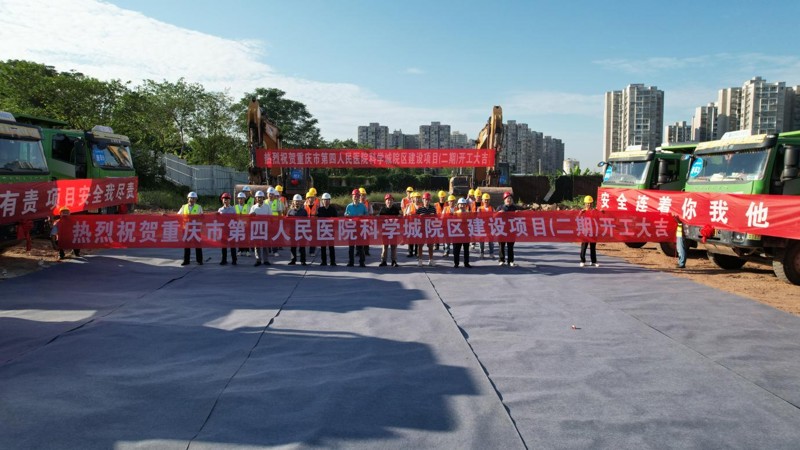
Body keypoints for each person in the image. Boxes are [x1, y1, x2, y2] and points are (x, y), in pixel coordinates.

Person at [344, 188, 368, 267]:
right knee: (351, 247)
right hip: (351, 229)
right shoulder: (349, 206)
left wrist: (363, 216)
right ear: (352, 197)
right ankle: (351, 262)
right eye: (355, 196)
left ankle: (362, 262)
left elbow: (367, 215)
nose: (356, 197)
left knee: (360, 246)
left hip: (360, 229)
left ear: (359, 197)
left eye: (357, 196)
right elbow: (345, 216)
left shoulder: (363, 206)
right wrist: (346, 216)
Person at [179, 191, 204, 266]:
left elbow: (202, 217)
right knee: (187, 245)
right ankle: (186, 261)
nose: (192, 200)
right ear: (188, 199)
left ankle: (199, 260)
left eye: (194, 198)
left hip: (195, 229)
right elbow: (178, 215)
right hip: (186, 229)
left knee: (198, 244)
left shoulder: (199, 207)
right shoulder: (183, 207)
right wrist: (167, 216)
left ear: (196, 200)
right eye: (191, 198)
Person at [249, 190, 272, 266]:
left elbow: (271, 217)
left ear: (263, 198)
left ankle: (266, 260)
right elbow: (249, 218)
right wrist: (251, 215)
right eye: (257, 197)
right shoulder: (253, 207)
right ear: (255, 198)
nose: (259, 199)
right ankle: (258, 260)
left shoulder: (267, 207)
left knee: (265, 245)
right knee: (257, 245)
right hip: (256, 229)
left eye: (260, 197)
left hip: (265, 229)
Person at [378, 193, 401, 267]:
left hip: (394, 231)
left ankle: (394, 261)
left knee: (393, 247)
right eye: (388, 200)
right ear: (385, 201)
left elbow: (399, 219)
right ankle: (383, 261)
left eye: (391, 200)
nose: (389, 201)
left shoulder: (396, 209)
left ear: (393, 201)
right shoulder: (382, 210)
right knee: (385, 246)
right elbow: (379, 220)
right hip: (385, 231)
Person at [497, 191, 519, 267]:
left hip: (511, 230)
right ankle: (501, 260)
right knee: (501, 246)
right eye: (507, 198)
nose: (509, 200)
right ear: (504, 199)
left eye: (510, 198)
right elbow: (493, 217)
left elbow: (520, 218)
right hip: (502, 229)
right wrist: (499, 213)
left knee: (510, 246)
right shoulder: (500, 207)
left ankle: (511, 261)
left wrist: (518, 213)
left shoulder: (514, 208)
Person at [416, 192, 437, 266]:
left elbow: (436, 219)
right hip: (421, 229)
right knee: (420, 245)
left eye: (428, 200)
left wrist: (433, 216)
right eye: (425, 199)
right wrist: (420, 216)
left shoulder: (433, 209)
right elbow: (415, 219)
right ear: (423, 200)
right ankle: (420, 260)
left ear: (430, 200)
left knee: (430, 246)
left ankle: (431, 260)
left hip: (430, 229)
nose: (427, 201)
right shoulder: (419, 209)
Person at [317, 192, 337, 266]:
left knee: (331, 247)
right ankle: (324, 261)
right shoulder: (320, 210)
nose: (326, 201)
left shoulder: (333, 210)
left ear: (329, 200)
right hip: (322, 231)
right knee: (323, 247)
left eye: (327, 200)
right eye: (324, 200)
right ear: (322, 201)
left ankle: (332, 261)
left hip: (331, 231)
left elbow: (336, 220)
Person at [287, 194, 308, 265]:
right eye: (296, 201)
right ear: (293, 202)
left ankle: (303, 260)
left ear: (301, 202)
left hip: (302, 231)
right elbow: (287, 222)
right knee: (293, 246)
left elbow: (307, 222)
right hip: (293, 232)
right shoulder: (290, 212)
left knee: (302, 246)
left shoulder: (304, 212)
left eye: (298, 201)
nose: (297, 203)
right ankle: (293, 260)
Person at [217, 192, 237, 266]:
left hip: (231, 229)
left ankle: (234, 260)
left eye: (227, 199)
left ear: (230, 200)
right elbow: (218, 220)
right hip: (223, 230)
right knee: (223, 246)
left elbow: (235, 219)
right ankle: (224, 260)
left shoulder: (233, 209)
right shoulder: (220, 210)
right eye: (224, 199)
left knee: (232, 246)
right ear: (222, 200)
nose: (226, 200)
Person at [579, 195, 598, 268]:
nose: (589, 204)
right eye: (587, 203)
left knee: (593, 247)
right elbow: (577, 219)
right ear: (585, 203)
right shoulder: (582, 211)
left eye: (590, 203)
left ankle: (593, 261)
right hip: (585, 231)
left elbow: (599, 218)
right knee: (584, 247)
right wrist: (580, 213)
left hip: (593, 231)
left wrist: (601, 212)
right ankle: (582, 261)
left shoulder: (594, 211)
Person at [452, 198, 471, 268]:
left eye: (463, 204)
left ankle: (466, 263)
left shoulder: (468, 213)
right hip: (457, 234)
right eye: (461, 204)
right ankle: (456, 263)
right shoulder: (455, 213)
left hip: (466, 233)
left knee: (466, 249)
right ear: (458, 205)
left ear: (465, 205)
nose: (462, 206)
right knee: (456, 249)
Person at [477, 192, 495, 259]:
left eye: (487, 200)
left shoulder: (492, 208)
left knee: (491, 241)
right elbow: (477, 217)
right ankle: (481, 253)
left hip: (490, 227)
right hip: (482, 226)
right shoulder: (479, 208)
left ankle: (491, 253)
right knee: (481, 241)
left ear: (489, 200)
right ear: (482, 200)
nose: (486, 201)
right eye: (485, 200)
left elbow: (495, 216)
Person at [404, 191, 422, 257]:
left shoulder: (421, 206)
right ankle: (410, 252)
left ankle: (417, 252)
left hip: (419, 225)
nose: (417, 199)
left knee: (418, 239)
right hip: (411, 224)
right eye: (416, 198)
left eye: (418, 198)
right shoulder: (410, 206)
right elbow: (407, 214)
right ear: (413, 198)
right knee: (411, 239)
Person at [267, 187, 283, 256]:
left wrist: (280, 222)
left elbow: (280, 213)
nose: (270, 195)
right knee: (267, 237)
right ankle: (268, 250)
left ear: (274, 195)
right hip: (267, 222)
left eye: (272, 194)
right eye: (269, 194)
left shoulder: (277, 202)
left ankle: (275, 251)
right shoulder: (264, 202)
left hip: (275, 222)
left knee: (274, 237)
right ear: (267, 194)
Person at [234, 192, 250, 257]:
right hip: (238, 225)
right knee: (239, 238)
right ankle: (240, 250)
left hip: (246, 225)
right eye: (239, 198)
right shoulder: (235, 207)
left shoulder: (248, 207)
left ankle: (247, 251)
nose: (240, 200)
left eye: (242, 198)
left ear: (244, 199)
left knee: (246, 238)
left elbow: (250, 216)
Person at [305, 188, 319, 256]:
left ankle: (312, 251)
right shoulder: (304, 206)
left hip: (314, 224)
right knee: (303, 237)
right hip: (306, 224)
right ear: (307, 198)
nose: (312, 199)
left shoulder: (316, 206)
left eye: (313, 197)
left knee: (313, 238)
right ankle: (301, 251)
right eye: (311, 197)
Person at [401, 187, 415, 257]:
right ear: (406, 192)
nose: (409, 193)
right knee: (405, 229)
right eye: (408, 191)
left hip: (413, 219)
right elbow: (402, 208)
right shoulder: (404, 199)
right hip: (406, 217)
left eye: (411, 191)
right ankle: (404, 240)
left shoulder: (414, 199)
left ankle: (414, 249)